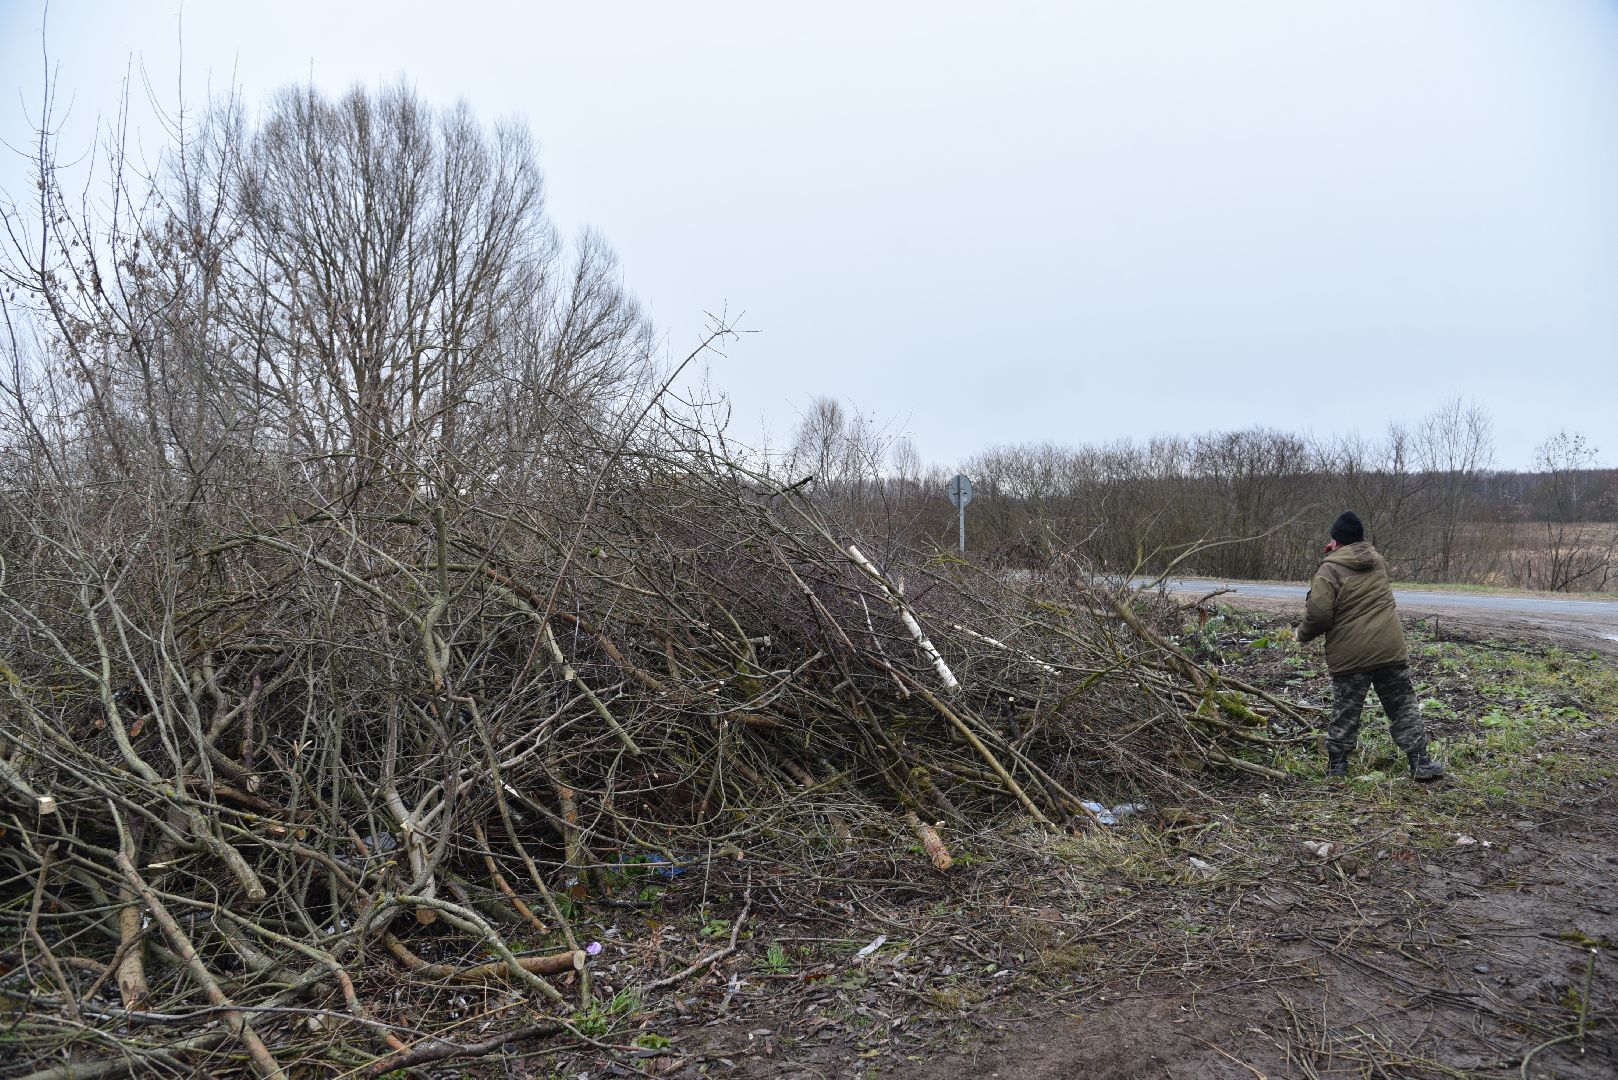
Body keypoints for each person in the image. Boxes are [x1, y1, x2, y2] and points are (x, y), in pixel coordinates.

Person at [1296, 511, 1445, 781]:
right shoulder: (1378, 562)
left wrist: (1301, 635)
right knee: (1402, 705)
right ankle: (1420, 762)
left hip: (1352, 654)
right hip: (1390, 648)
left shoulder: (1329, 569)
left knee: (1347, 710)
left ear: (1336, 541)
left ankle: (1338, 768)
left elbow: (1319, 614)